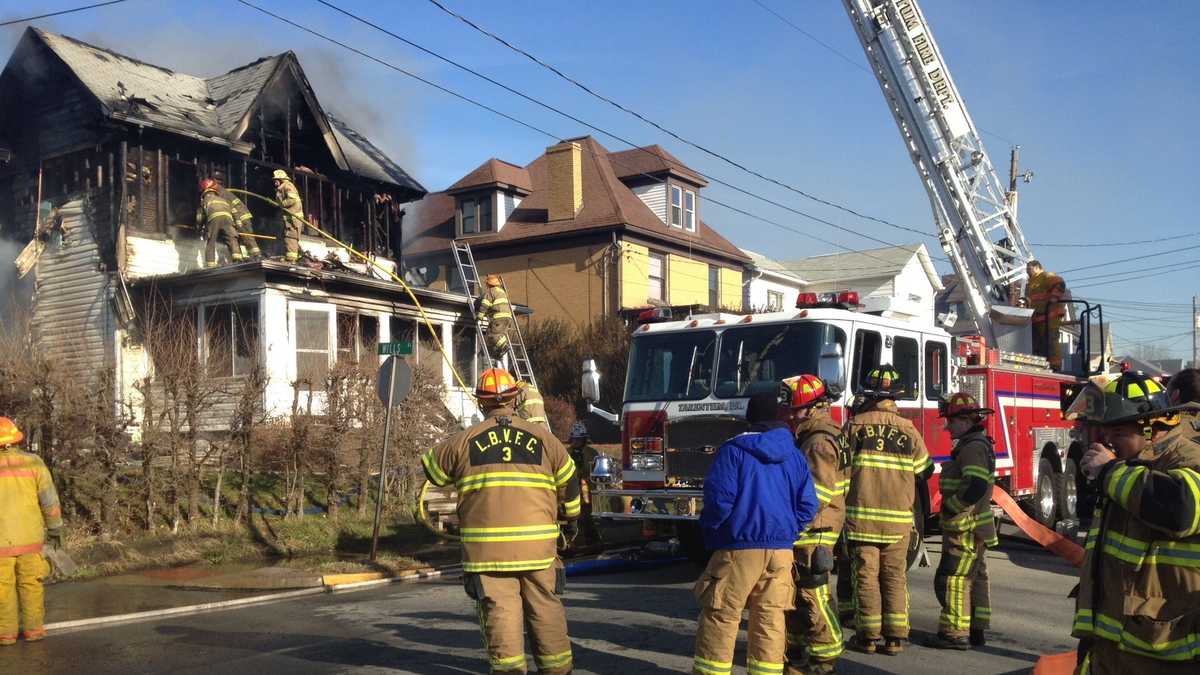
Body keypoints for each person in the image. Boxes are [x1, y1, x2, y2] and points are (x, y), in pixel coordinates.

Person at [421, 367, 579, 674]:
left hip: (487, 554)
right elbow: (570, 482)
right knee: (546, 608)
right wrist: (570, 520)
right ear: (515, 398)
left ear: (481, 402)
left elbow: (433, 472)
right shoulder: (544, 440)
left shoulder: (462, 441)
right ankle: (558, 670)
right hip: (538, 549)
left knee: (500, 613)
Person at [1070, 370, 1200, 674]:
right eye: (1104, 434)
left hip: (1167, 655)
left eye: (1117, 433)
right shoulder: (1130, 467)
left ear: (1150, 426)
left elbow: (1181, 510)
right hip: (1111, 650)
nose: (1107, 443)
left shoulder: (1188, 457)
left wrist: (1109, 472)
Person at [692, 390, 819, 675]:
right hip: (781, 551)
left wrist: (712, 534)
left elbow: (719, 501)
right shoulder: (794, 455)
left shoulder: (733, 451)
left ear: (748, 419)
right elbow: (809, 504)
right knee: (771, 619)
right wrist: (788, 531)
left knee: (721, 615)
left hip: (739, 547)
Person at [842, 365, 933, 656]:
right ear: (896, 397)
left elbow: (840, 468)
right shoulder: (909, 429)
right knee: (894, 577)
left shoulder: (854, 426)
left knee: (866, 577)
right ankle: (895, 638)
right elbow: (926, 470)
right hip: (898, 522)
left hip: (862, 519)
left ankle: (867, 637)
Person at [782, 375, 850, 675]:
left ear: (812, 408)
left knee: (813, 596)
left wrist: (791, 525)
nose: (792, 415)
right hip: (818, 527)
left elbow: (816, 495)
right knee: (799, 595)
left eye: (797, 410)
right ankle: (797, 652)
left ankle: (825, 658)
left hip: (815, 530)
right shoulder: (823, 434)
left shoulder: (818, 441)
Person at [929, 393, 997, 650]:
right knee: (976, 576)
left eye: (951, 421)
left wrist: (951, 506)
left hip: (965, 527)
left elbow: (976, 485)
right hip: (974, 525)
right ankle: (976, 629)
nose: (947, 427)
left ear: (966, 420)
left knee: (954, 578)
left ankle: (954, 633)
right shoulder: (974, 444)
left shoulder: (972, 447)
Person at [0, 417, 62, 646]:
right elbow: (49, 501)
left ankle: (5, 635)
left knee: (2, 589)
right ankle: (34, 631)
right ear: (16, 438)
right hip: (30, 540)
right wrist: (55, 530)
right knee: (31, 585)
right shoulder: (33, 463)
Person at [1022, 260, 1067, 369]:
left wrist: (1054, 298)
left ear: (1036, 267)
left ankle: (1055, 366)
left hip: (1050, 315)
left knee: (1051, 340)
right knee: (1039, 344)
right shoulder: (1031, 283)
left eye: (1029, 269)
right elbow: (1031, 299)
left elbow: (1059, 283)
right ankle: (1041, 364)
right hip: (1037, 317)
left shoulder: (1046, 276)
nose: (1027, 271)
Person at [566, 422, 600, 547]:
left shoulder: (592, 453)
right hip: (572, 494)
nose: (576, 442)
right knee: (576, 519)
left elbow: (596, 473)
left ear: (584, 439)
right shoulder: (566, 454)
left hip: (589, 494)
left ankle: (593, 543)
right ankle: (576, 544)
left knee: (589, 520)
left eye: (579, 439)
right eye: (574, 439)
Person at [195, 178, 242, 268]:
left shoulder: (204, 200)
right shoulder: (222, 199)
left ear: (204, 192)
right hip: (228, 219)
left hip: (214, 219)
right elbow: (234, 210)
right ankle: (237, 258)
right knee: (232, 238)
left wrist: (199, 228)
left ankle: (210, 264)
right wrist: (238, 223)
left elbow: (199, 217)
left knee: (211, 241)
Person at [218, 183, 262, 259]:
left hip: (241, 217)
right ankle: (249, 256)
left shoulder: (223, 195)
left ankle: (257, 255)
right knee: (243, 237)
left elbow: (233, 209)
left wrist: (238, 221)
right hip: (241, 216)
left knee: (246, 236)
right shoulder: (224, 193)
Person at [479, 274, 514, 361]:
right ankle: (498, 352)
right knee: (500, 335)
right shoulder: (502, 292)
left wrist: (479, 316)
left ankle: (504, 347)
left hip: (499, 317)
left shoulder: (490, 291)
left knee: (491, 335)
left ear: (489, 284)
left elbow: (485, 304)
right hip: (508, 318)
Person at [273, 169, 304, 262]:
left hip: (293, 218)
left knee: (290, 237)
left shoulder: (287, 185)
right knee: (288, 237)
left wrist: (281, 204)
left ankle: (291, 260)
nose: (275, 182)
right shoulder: (282, 188)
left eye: (276, 180)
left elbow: (292, 199)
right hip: (290, 219)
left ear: (281, 179)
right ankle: (297, 256)